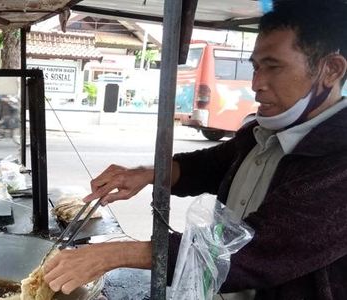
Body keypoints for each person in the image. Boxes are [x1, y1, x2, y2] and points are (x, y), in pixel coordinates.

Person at [43, 0, 347, 299]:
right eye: (255, 67)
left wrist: (115, 254)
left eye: (273, 67)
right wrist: (144, 175)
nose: (256, 84)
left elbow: (258, 251)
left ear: (330, 70)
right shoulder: (261, 133)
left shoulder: (339, 161)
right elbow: (209, 166)